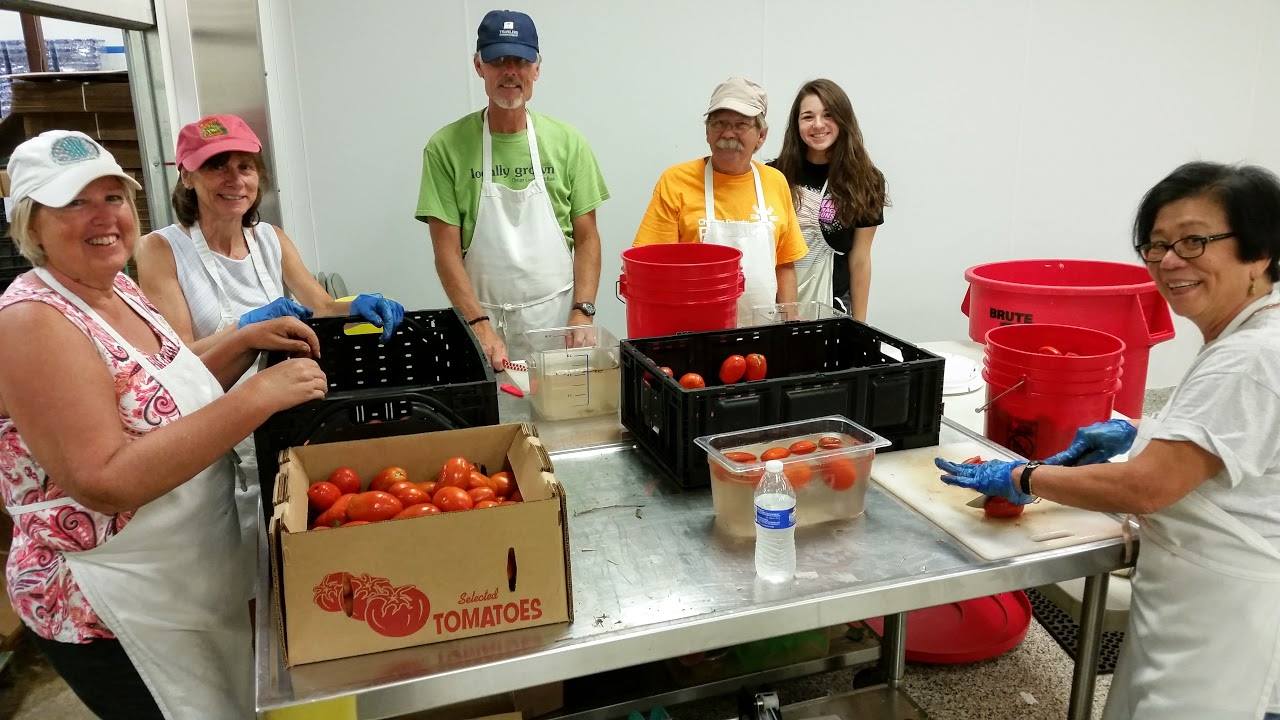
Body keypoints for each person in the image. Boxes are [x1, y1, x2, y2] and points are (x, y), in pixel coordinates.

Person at [0, 130, 327, 718]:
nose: (103, 217)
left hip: (185, 577)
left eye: (114, 198)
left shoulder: (115, 288)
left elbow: (160, 390)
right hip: (118, 603)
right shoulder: (32, 321)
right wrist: (257, 398)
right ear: (31, 224)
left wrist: (245, 340)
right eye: (74, 203)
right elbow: (103, 480)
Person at [936, 161, 1280, 719]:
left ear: (1260, 251)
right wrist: (1138, 432)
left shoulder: (1249, 359)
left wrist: (1023, 477)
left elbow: (1148, 488)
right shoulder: (1253, 335)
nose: (1169, 262)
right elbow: (1234, 446)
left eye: (1195, 242)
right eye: (1157, 245)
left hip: (1230, 615)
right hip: (1193, 597)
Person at [135, 113, 404, 547]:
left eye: (245, 166)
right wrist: (244, 327)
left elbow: (319, 305)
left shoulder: (270, 239)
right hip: (215, 431)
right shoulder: (161, 249)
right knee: (241, 556)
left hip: (286, 419)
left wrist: (354, 304)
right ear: (187, 176)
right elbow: (178, 358)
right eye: (216, 165)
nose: (234, 179)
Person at [416, 9, 610, 367]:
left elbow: (587, 238)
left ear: (536, 67)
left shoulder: (568, 143)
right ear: (479, 66)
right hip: (480, 324)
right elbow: (446, 251)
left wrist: (583, 311)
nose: (510, 71)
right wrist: (478, 324)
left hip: (557, 323)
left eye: (520, 60)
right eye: (498, 60)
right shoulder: (446, 147)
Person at [634, 76, 807, 325]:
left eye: (740, 125)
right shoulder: (676, 181)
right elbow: (653, 268)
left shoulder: (775, 182)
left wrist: (789, 319)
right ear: (707, 131)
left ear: (761, 135)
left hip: (762, 331)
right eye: (719, 123)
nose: (728, 133)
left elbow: (784, 264)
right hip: (691, 331)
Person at [769, 79, 887, 320]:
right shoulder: (773, 176)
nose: (818, 125)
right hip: (774, 309)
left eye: (829, 115)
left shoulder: (866, 180)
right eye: (808, 117)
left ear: (844, 120)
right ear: (796, 124)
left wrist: (860, 325)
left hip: (832, 311)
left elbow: (860, 259)